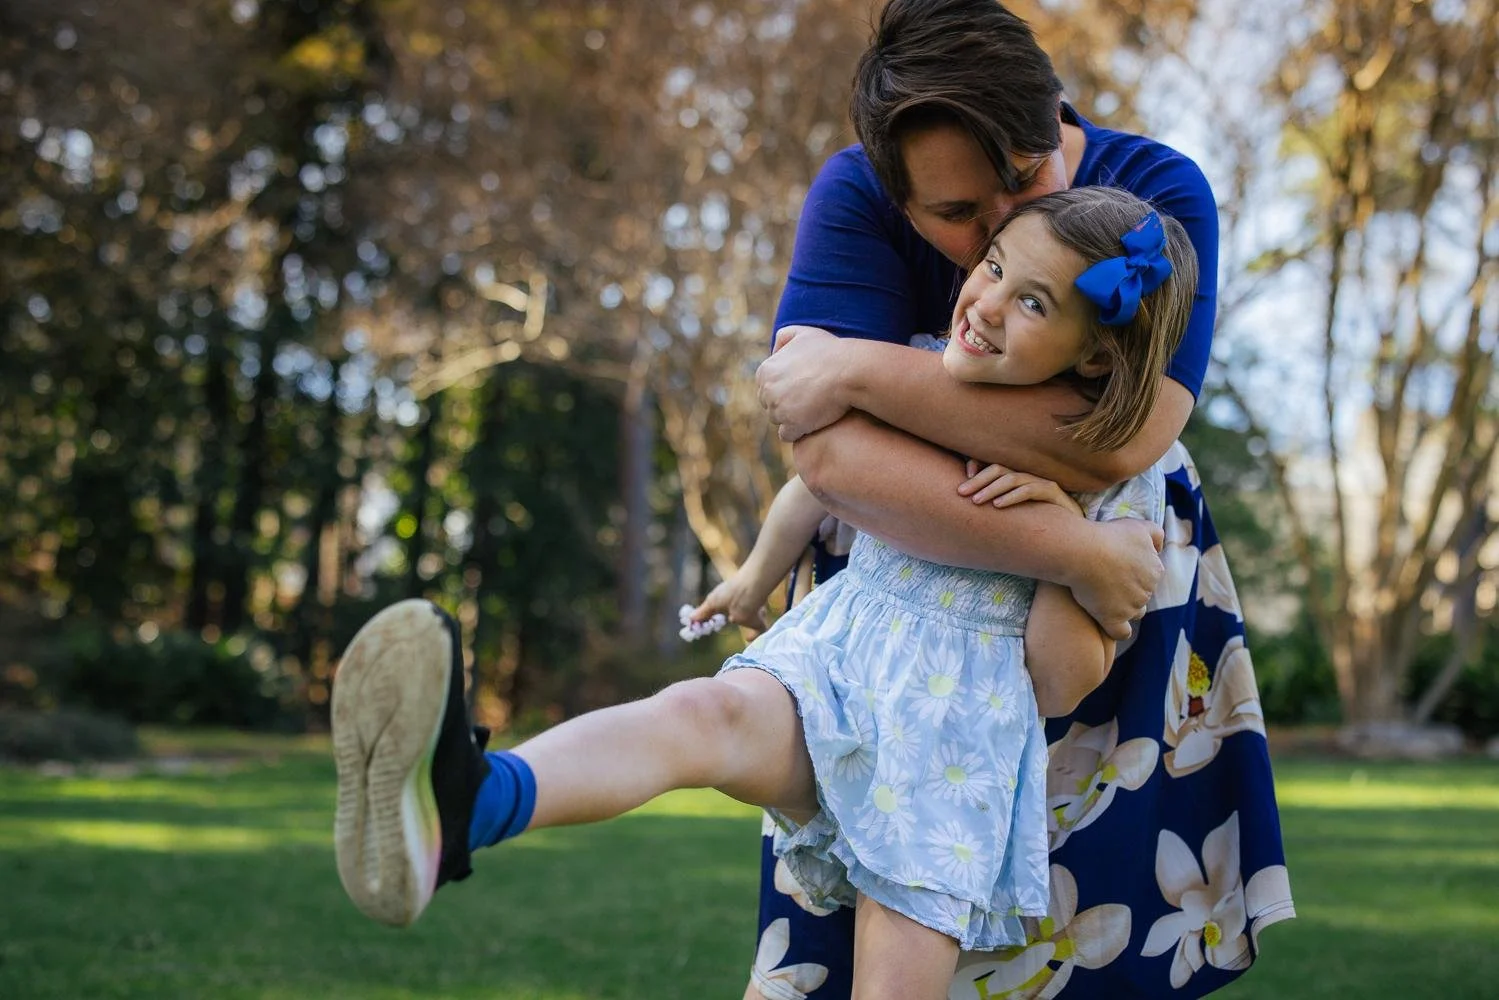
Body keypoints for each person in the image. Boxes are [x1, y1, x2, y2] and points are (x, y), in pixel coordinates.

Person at [329, 187, 1199, 1000]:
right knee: (696, 713)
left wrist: (1065, 539)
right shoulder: (921, 377)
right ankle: (467, 803)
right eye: (995, 266)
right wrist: (752, 578)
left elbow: (1059, 680)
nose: (988, 303)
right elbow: (821, 485)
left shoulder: (1116, 486)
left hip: (947, 755)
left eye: (1033, 302)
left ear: (1096, 352)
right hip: (836, 665)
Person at [737, 1, 1295, 998]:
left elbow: (1125, 436)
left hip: (1104, 601)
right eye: (959, 215)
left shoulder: (1155, 193)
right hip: (891, 604)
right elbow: (831, 461)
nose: (1002, 230)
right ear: (893, 194)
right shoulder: (853, 193)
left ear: (1054, 117)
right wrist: (1065, 544)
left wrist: (855, 371)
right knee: (859, 940)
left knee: (1087, 938)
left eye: (1027, 179)